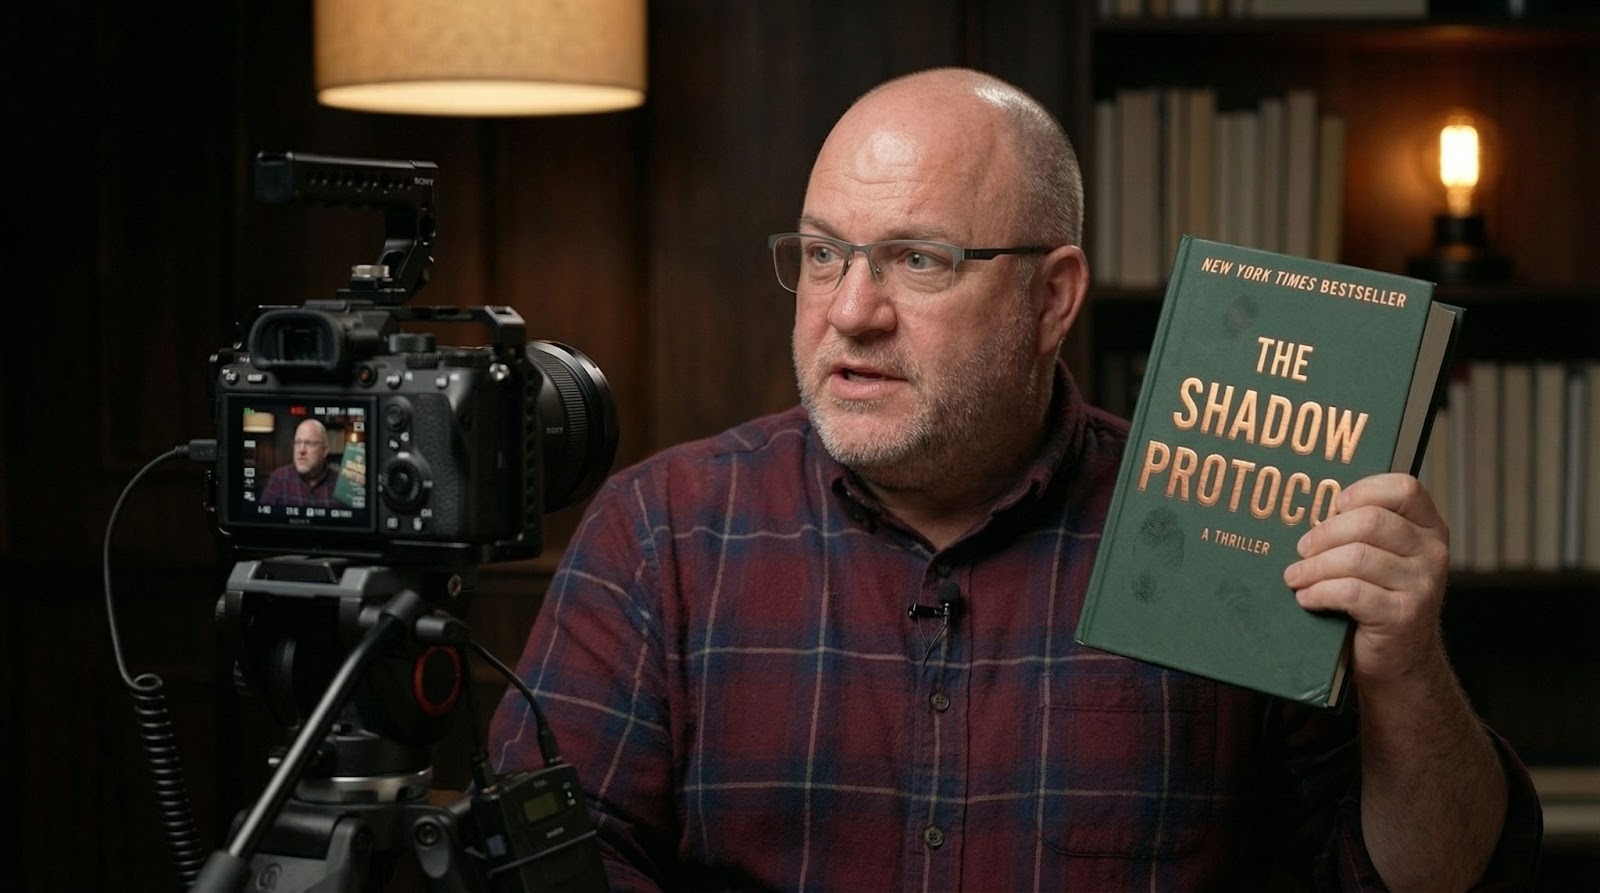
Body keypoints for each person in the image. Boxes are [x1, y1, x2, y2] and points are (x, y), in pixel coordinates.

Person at [489, 67, 1540, 890]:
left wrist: (1407, 669)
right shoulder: (664, 532)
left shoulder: (1231, 526)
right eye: (821, 254)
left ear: (1052, 298)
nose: (850, 310)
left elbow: (1433, 877)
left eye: (919, 259)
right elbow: (538, 857)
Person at [259, 418, 344, 509]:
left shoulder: (341, 484)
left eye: (309, 443)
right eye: (298, 443)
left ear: (325, 450)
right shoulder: (279, 478)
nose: (301, 450)